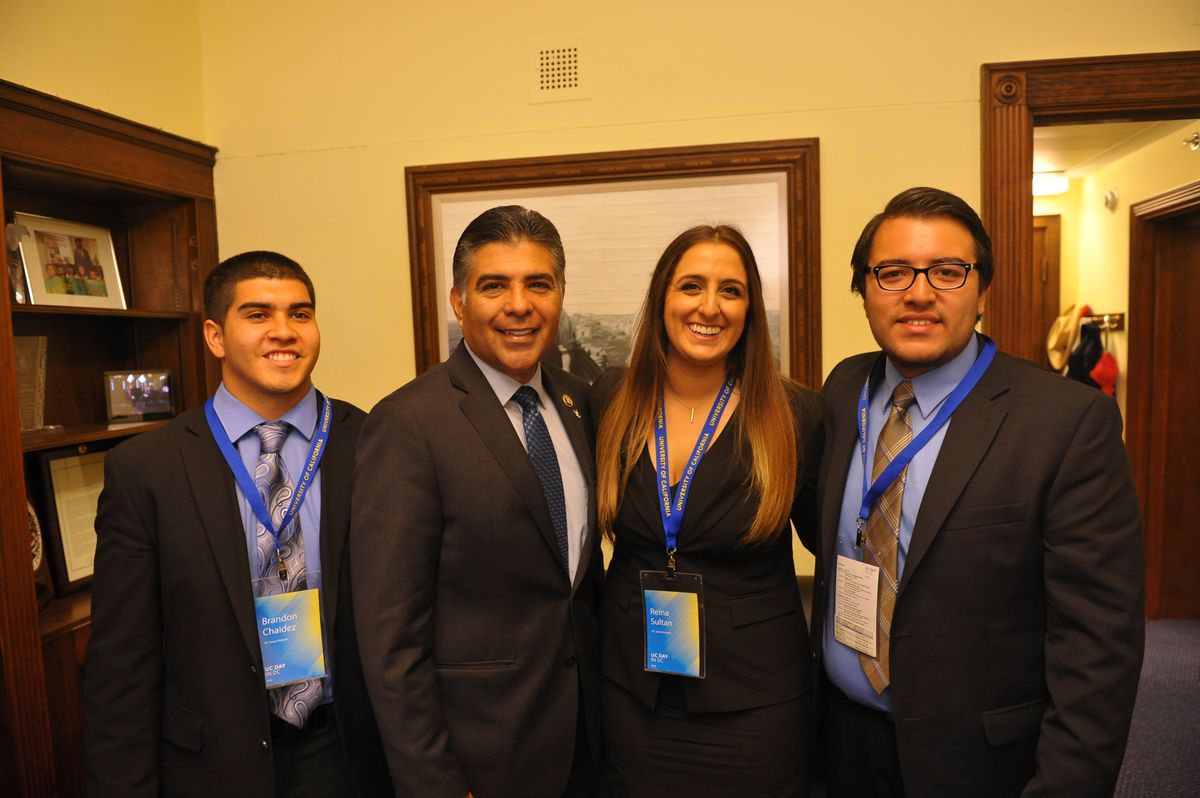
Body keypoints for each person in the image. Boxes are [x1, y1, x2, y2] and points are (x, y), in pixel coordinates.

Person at [813, 187, 1144, 797]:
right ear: (864, 291)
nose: (918, 293)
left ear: (982, 289)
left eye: (947, 271)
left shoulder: (1065, 423)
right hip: (842, 741)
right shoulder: (842, 389)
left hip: (978, 760)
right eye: (892, 273)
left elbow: (1098, 646)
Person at [84, 251, 392, 797]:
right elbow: (121, 666)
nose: (284, 332)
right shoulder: (147, 469)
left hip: (348, 757)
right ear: (215, 335)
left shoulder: (375, 443)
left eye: (300, 314)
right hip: (212, 765)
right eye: (258, 315)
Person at [351, 205, 602, 797]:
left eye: (538, 284)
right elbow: (391, 640)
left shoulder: (578, 402)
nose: (520, 305)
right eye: (494, 285)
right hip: (478, 760)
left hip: (585, 747)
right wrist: (434, 783)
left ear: (560, 296)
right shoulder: (408, 424)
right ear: (459, 301)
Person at [594, 225, 821, 797]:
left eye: (732, 290)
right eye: (691, 286)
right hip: (631, 691)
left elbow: (837, 543)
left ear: (750, 309)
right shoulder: (608, 399)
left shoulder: (796, 415)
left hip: (756, 702)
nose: (709, 307)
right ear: (662, 298)